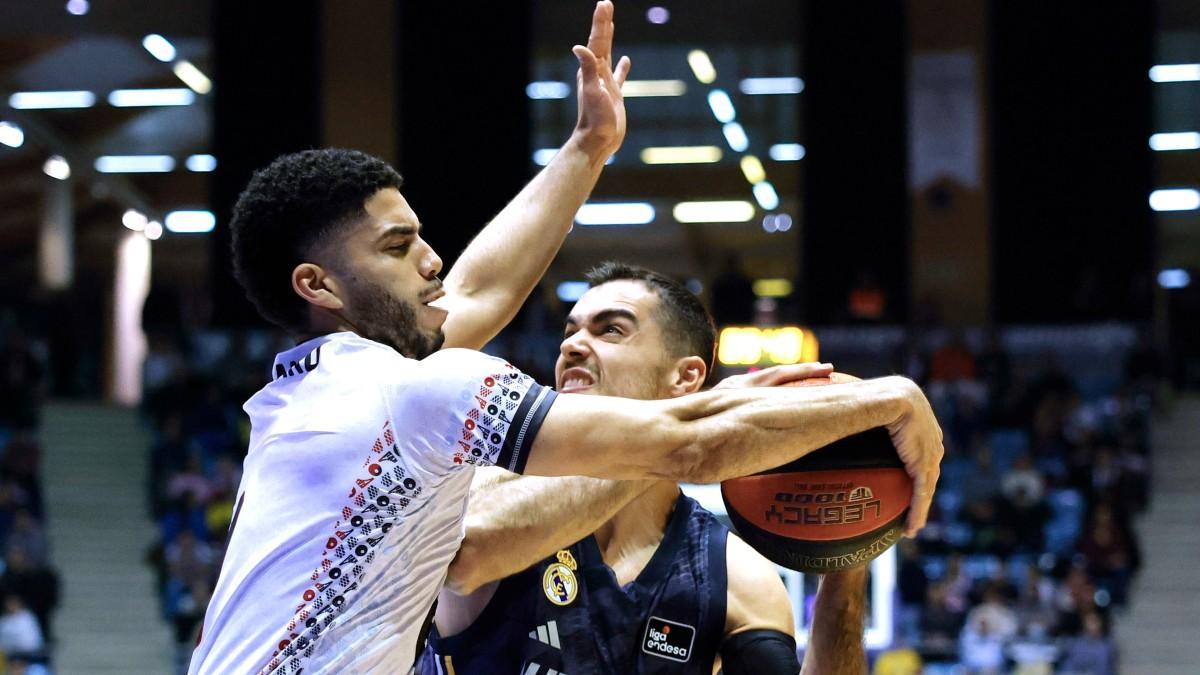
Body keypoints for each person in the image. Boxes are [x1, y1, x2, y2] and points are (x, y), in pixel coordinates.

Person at [189, 4, 945, 673]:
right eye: (396, 247)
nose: (433, 260)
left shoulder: (324, 389)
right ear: (317, 285)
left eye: (422, 239)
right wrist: (893, 397)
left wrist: (587, 148)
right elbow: (690, 444)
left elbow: (481, 289)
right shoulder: (413, 390)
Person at [418, 264, 869, 674]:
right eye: (569, 332)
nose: (572, 345)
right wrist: (691, 438)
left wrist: (851, 554)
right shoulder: (492, 481)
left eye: (610, 330)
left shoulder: (734, 574)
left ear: (685, 379)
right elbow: (467, 554)